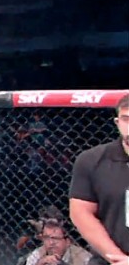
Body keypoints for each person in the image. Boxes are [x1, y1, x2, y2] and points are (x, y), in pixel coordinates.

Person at [70, 94, 129, 265]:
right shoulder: (92, 160)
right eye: (126, 119)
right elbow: (81, 212)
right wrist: (116, 258)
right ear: (117, 122)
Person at [24, 216, 92, 265]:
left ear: (68, 241)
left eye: (55, 238)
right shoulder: (37, 254)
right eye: (47, 238)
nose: (51, 243)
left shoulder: (83, 257)